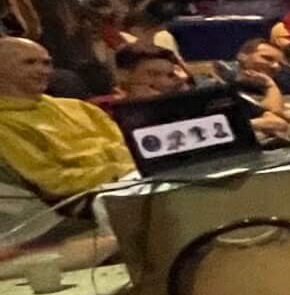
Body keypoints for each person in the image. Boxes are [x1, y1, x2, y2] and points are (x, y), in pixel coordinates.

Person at [0, 35, 135, 197]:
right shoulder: (4, 124)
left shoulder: (80, 107)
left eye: (46, 63)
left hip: (134, 181)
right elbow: (52, 181)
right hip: (87, 199)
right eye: (29, 62)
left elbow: (126, 148)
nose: (43, 71)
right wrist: (119, 172)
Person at [110, 44, 192, 99]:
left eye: (170, 75)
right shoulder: (106, 111)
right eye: (154, 74)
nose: (165, 82)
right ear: (124, 75)